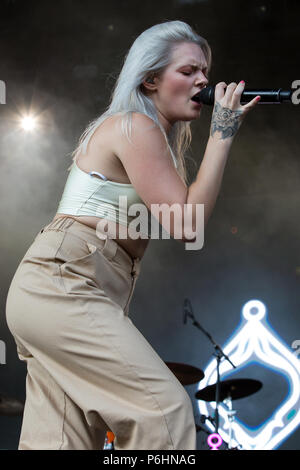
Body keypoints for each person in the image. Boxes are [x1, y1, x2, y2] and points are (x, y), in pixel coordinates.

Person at [5, 20, 260, 450]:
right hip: (65, 283)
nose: (203, 80)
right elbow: (187, 224)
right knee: (165, 414)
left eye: (205, 73)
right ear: (150, 78)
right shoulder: (133, 126)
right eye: (188, 71)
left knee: (60, 444)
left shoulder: (146, 135)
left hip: (57, 289)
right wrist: (223, 131)